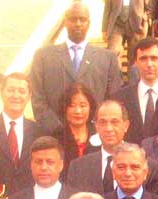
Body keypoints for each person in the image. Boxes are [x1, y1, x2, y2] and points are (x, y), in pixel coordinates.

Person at [29, 1, 122, 134]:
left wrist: (95, 129)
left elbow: (113, 100)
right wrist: (58, 129)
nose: (78, 23)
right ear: (65, 22)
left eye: (82, 19)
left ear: (89, 23)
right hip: (55, 136)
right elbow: (38, 99)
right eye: (73, 19)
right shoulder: (43, 56)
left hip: (94, 137)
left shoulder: (107, 58)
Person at [65, 99, 158, 197]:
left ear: (126, 125)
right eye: (103, 122)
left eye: (114, 122)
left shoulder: (150, 167)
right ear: (96, 126)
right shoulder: (78, 168)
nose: (108, 128)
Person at [113, 38, 158, 145]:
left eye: (154, 58)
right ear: (136, 62)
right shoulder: (120, 98)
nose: (149, 64)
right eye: (143, 59)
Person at [55, 83, 100, 172]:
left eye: (83, 105)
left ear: (90, 108)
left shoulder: (99, 135)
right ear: (65, 108)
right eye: (72, 105)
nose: (78, 111)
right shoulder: (56, 138)